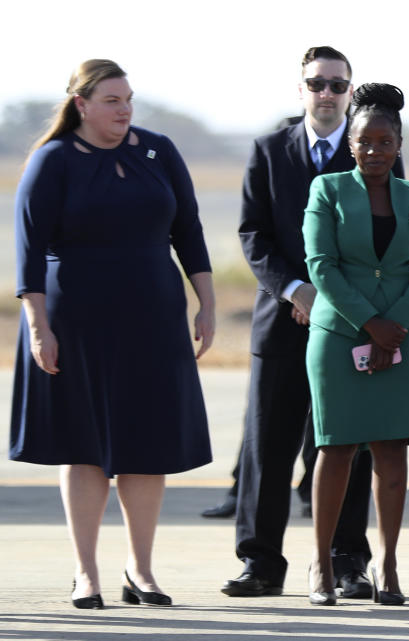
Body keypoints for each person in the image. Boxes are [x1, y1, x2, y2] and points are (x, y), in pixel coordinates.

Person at [10, 59, 214, 609]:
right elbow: (27, 251)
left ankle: (141, 572)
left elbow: (188, 229)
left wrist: (207, 302)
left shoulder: (157, 150)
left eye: (128, 100)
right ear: (82, 104)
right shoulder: (51, 162)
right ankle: (86, 574)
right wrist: (38, 328)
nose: (124, 110)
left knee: (145, 446)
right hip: (76, 320)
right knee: (86, 446)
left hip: (153, 318)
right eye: (112, 101)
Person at [223, 46, 401, 599]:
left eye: (336, 85)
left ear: (350, 91)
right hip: (282, 321)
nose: (326, 94)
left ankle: (347, 562)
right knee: (267, 447)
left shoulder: (370, 150)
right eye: (316, 83)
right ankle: (260, 561)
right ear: (299, 89)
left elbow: (385, 240)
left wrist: (339, 302)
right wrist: (295, 289)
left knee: (347, 443)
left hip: (349, 326)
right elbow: (253, 234)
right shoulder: (269, 150)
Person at [302, 83, 409, 606]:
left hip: (401, 338)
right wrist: (370, 324)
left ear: (399, 144)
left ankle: (388, 563)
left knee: (391, 448)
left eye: (386, 141)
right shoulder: (327, 190)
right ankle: (322, 565)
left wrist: (394, 326)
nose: (376, 150)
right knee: (334, 448)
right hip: (339, 335)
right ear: (351, 145)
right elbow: (322, 267)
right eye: (366, 142)